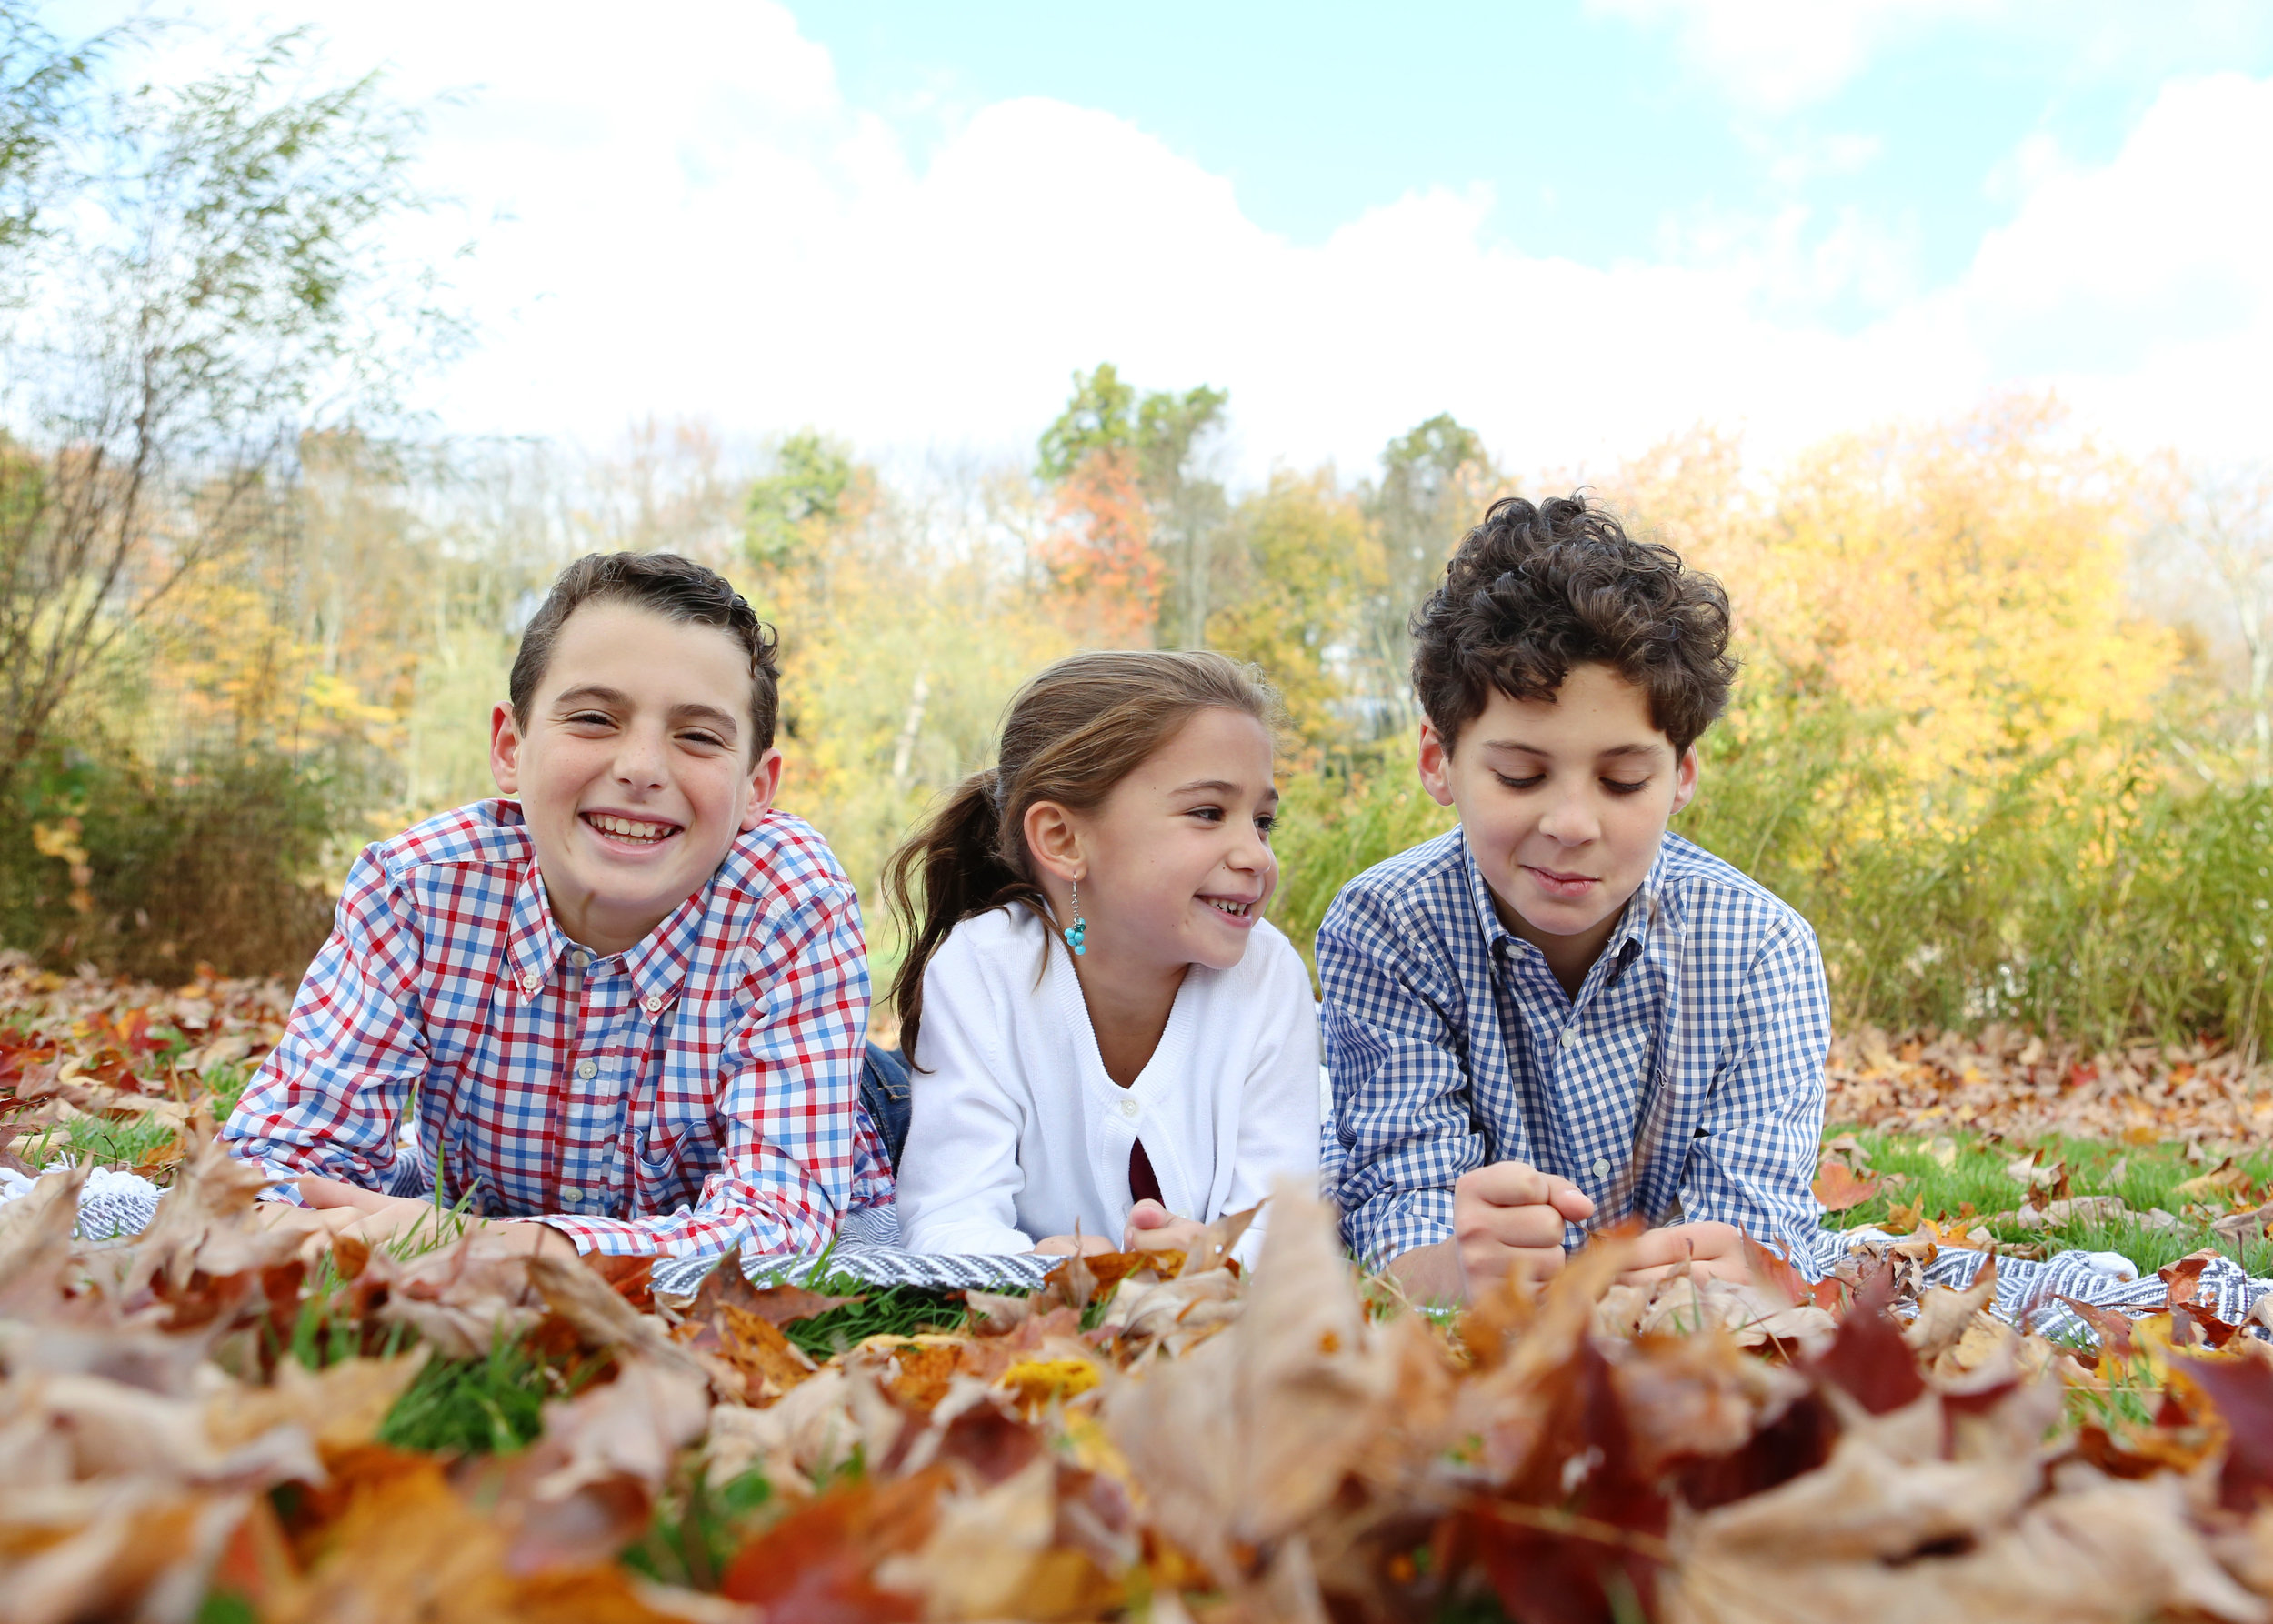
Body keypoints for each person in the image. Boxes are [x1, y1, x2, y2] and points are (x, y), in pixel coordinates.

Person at [222, 552, 894, 1263]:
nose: (641, 768)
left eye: (697, 735)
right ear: (510, 749)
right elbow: (273, 1169)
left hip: (856, 1102)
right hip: (551, 1191)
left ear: (757, 790)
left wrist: (486, 1243)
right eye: (596, 718)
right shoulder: (418, 891)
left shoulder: (791, 903)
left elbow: (780, 1227)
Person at [1319, 495, 1829, 1303]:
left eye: (1623, 781)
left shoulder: (1760, 947)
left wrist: (1735, 1269)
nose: (1570, 825)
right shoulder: (1388, 925)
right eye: (1519, 776)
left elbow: (1760, 1224)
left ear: (1681, 776)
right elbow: (1399, 1210)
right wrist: (1458, 1264)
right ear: (1438, 761)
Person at [886, 650, 1320, 1262]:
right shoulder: (983, 971)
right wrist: (1038, 1268)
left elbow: (1281, 1235)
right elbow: (948, 1215)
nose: (1256, 855)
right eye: (1207, 813)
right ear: (1063, 840)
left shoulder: (1268, 976)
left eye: (1263, 821)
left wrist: (1218, 1260)